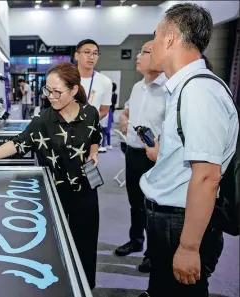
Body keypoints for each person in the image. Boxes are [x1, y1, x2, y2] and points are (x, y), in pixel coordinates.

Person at [0, 62, 102, 289]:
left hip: (86, 189)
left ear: (74, 90)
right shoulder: (43, 121)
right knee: (53, 245)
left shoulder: (90, 113)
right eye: (48, 90)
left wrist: (94, 154)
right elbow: (17, 144)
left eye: (57, 91)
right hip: (54, 194)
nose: (51, 96)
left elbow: (95, 138)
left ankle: (85, 287)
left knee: (85, 243)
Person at [139, 3, 239, 297]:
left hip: (180, 224)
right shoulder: (187, 88)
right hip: (170, 218)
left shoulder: (198, 91)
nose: (153, 44)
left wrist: (188, 246)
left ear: (169, 38)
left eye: (156, 36)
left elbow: (207, 177)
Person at [115, 41, 167, 274]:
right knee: (135, 202)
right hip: (133, 151)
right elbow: (126, 110)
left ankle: (152, 254)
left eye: (143, 53)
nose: (137, 56)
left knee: (153, 206)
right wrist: (125, 120)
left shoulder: (169, 88)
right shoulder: (138, 87)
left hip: (156, 156)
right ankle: (136, 240)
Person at [74, 39, 113, 120]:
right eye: (87, 52)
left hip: (91, 128)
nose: (91, 57)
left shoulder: (105, 81)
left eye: (95, 53)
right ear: (76, 55)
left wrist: (89, 123)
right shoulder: (65, 78)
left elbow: (104, 110)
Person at [99, 82, 118, 151]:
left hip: (109, 111)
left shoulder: (113, 95)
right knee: (104, 129)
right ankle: (105, 144)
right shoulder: (106, 95)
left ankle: (107, 144)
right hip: (106, 111)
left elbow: (113, 104)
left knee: (106, 129)